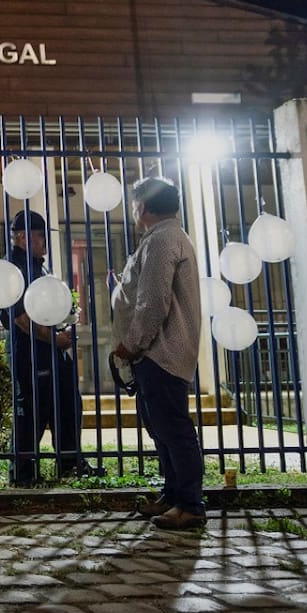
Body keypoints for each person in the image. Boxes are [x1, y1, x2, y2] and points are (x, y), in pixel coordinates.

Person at [111, 177, 205, 530]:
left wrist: (132, 344)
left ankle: (191, 504)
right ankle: (173, 494)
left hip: (160, 352)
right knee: (161, 429)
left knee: (174, 430)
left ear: (144, 207)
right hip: (154, 354)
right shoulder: (161, 238)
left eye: (135, 203)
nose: (133, 209)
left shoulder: (163, 240)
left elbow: (154, 302)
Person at [0, 209, 100, 486]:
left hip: (50, 348)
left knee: (67, 402)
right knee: (32, 409)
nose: (45, 241)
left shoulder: (36, 264)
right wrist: (54, 338)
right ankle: (22, 473)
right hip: (31, 351)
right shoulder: (16, 269)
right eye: (40, 235)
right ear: (22, 237)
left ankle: (69, 462)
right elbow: (19, 318)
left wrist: (63, 324)